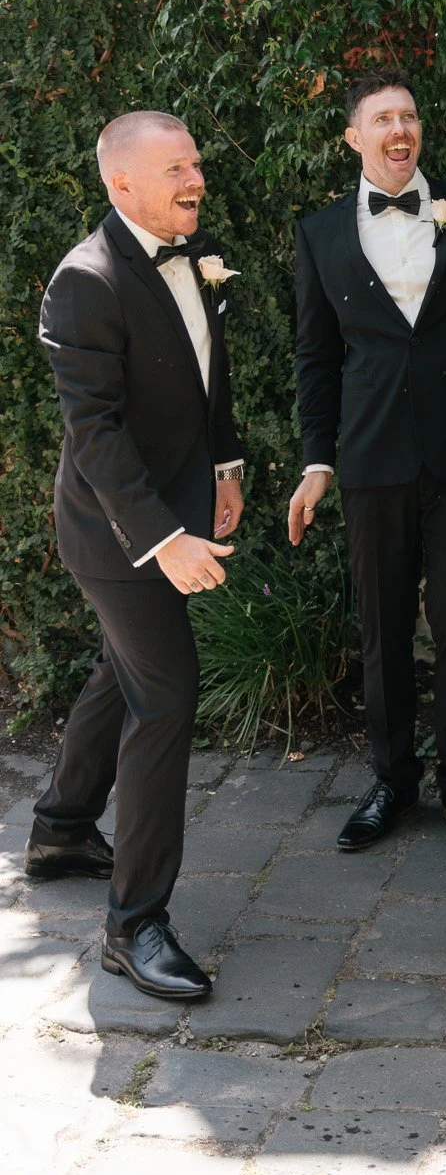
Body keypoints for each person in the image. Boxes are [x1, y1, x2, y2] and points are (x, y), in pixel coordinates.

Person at [25, 112, 245, 1000]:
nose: (195, 179)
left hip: (179, 508)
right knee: (166, 694)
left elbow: (206, 373)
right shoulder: (85, 281)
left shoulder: (194, 250)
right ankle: (133, 926)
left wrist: (225, 465)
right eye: (174, 169)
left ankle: (62, 827)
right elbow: (98, 437)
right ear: (121, 186)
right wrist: (164, 540)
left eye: (195, 161)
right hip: (119, 535)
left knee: (124, 668)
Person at [291, 68, 446, 854]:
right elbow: (316, 360)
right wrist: (317, 462)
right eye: (382, 119)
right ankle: (391, 780)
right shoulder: (319, 235)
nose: (399, 130)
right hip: (371, 457)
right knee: (380, 630)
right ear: (354, 137)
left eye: (409, 116)